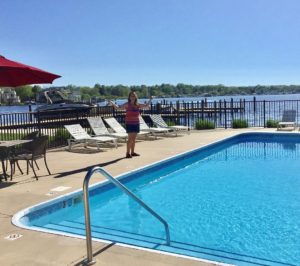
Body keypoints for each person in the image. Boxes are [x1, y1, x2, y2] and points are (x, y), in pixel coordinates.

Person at [109, 91, 152, 158]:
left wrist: (150, 99)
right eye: (131, 96)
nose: (133, 97)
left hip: (136, 123)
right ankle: (127, 153)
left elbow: (146, 106)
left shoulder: (137, 104)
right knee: (130, 139)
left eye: (134, 96)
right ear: (129, 97)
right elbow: (118, 108)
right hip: (129, 123)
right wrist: (112, 103)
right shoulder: (127, 104)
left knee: (134, 139)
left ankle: (132, 152)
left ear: (136, 97)